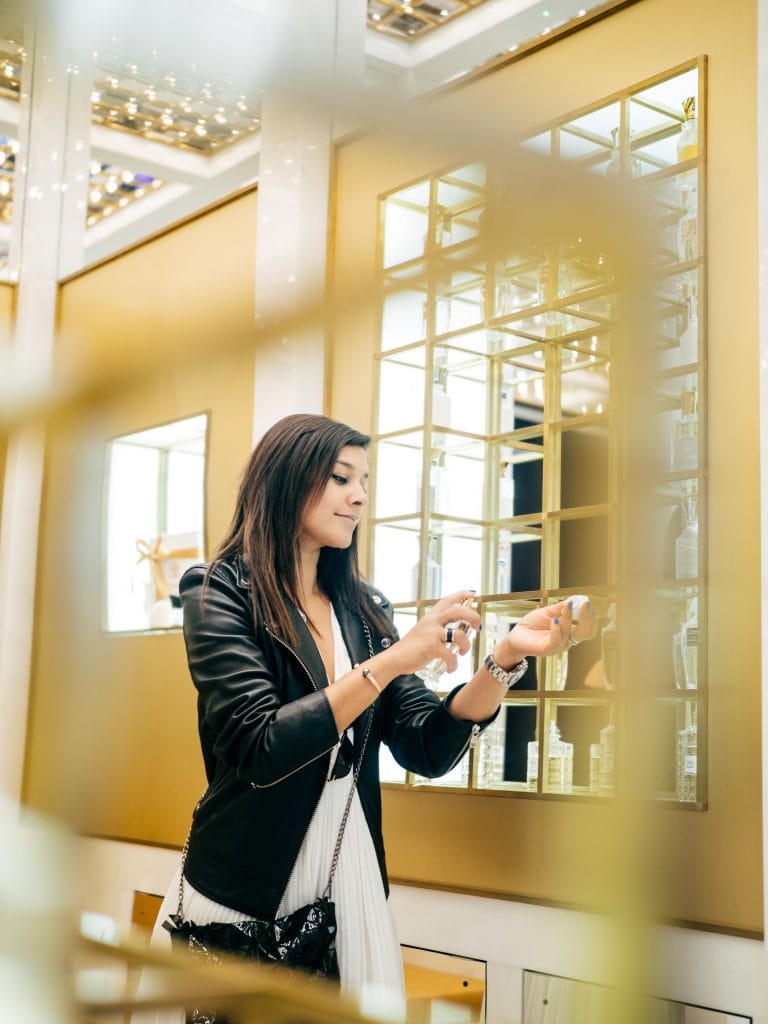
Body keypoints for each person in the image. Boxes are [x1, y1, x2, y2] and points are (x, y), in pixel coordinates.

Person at [138, 412, 595, 1021]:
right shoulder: (218, 589)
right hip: (245, 878)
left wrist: (505, 657)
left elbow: (425, 747)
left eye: (365, 480)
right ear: (285, 481)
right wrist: (397, 658)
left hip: (347, 875)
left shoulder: (364, 608)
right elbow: (259, 744)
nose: (360, 495)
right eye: (340, 477)